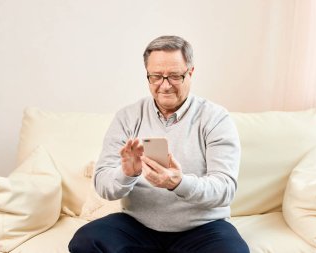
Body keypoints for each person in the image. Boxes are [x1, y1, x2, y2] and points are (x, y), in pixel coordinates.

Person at [69, 35, 249, 253]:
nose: (165, 86)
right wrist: (127, 173)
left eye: (174, 76)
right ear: (147, 75)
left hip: (202, 228)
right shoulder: (127, 117)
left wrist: (178, 183)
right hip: (138, 226)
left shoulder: (215, 118)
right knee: (85, 241)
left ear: (190, 73)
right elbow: (103, 185)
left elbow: (225, 189)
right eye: (156, 76)